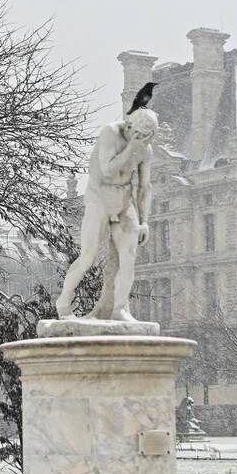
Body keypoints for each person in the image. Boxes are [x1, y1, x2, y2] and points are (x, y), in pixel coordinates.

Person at [57, 107, 158, 321]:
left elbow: (144, 187)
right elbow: (107, 169)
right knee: (88, 256)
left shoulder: (145, 149)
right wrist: (131, 148)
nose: (144, 141)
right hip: (99, 198)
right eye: (140, 136)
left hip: (123, 200)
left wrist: (144, 221)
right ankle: (64, 300)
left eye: (148, 137)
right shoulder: (110, 133)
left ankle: (120, 308)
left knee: (128, 256)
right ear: (130, 127)